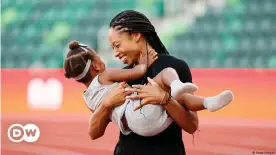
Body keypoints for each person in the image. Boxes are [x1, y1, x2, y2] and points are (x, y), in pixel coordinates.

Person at [85, 10, 232, 155]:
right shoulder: (121, 77)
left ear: (136, 35)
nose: (115, 53)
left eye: (117, 45)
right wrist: (106, 103)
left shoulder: (175, 67)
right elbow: (94, 133)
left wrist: (165, 99)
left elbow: (192, 125)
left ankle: (207, 102)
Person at [63, 40, 233, 137]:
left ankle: (207, 101)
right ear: (95, 65)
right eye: (99, 57)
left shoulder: (88, 99)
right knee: (166, 76)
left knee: (174, 97)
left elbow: (100, 121)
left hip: (138, 127)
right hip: (139, 110)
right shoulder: (105, 76)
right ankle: (184, 88)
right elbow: (139, 71)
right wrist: (144, 57)